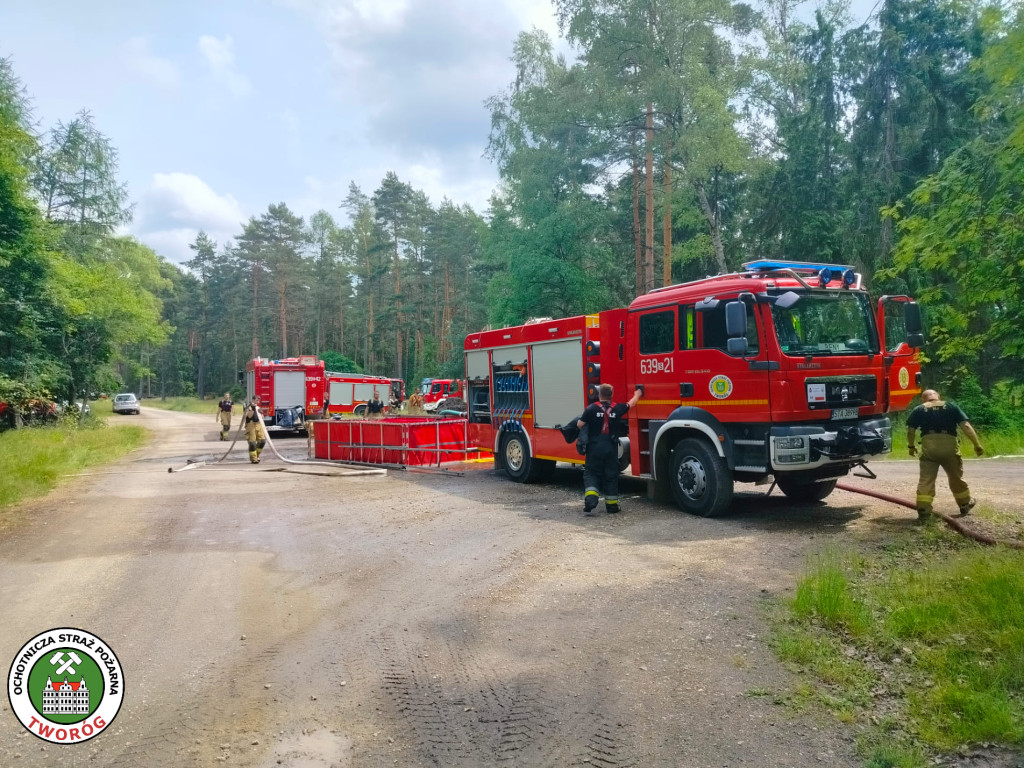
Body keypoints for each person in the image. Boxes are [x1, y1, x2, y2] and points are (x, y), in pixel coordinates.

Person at [906, 389, 984, 520]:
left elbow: (911, 430)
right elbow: (966, 426)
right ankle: (964, 504)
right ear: (938, 397)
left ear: (923, 399)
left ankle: (924, 509)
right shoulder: (951, 406)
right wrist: (977, 444)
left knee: (926, 479)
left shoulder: (919, 409)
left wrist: (911, 446)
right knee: (955, 476)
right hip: (949, 445)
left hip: (929, 445)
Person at [576, 383, 644, 516]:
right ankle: (612, 507)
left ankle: (591, 501)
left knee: (591, 474)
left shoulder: (591, 409)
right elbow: (631, 404)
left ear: (599, 394)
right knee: (611, 477)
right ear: (611, 395)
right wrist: (638, 394)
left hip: (594, 448)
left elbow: (580, 424)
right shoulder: (617, 408)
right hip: (611, 449)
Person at [243, 396, 267, 464]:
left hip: (258, 425)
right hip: (251, 425)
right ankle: (253, 458)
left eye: (258, 400)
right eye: (256, 400)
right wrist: (253, 408)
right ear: (253, 400)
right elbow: (249, 416)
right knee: (252, 443)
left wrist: (261, 413)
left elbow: (262, 418)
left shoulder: (258, 408)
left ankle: (257, 455)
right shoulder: (249, 408)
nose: (258, 401)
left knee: (262, 441)